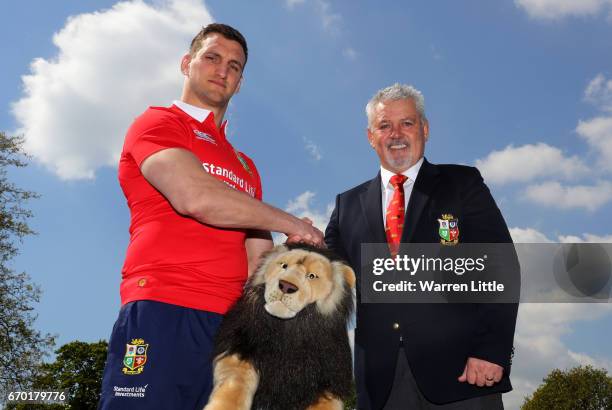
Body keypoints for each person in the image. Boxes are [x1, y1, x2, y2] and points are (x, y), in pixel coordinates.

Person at [98, 23, 323, 410]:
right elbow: (194, 197)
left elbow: (257, 257)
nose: (223, 70)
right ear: (187, 63)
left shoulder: (246, 165)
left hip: (229, 328)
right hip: (163, 305)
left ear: (240, 83)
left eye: (234, 66)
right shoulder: (159, 122)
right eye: (212, 58)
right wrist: (295, 224)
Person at [325, 83, 519, 409]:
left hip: (463, 375)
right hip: (381, 383)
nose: (396, 133)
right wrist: (299, 243)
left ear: (425, 129)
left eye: (407, 123)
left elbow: (501, 267)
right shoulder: (347, 204)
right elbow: (328, 271)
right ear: (371, 136)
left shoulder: (463, 184)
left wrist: (490, 350)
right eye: (385, 125)